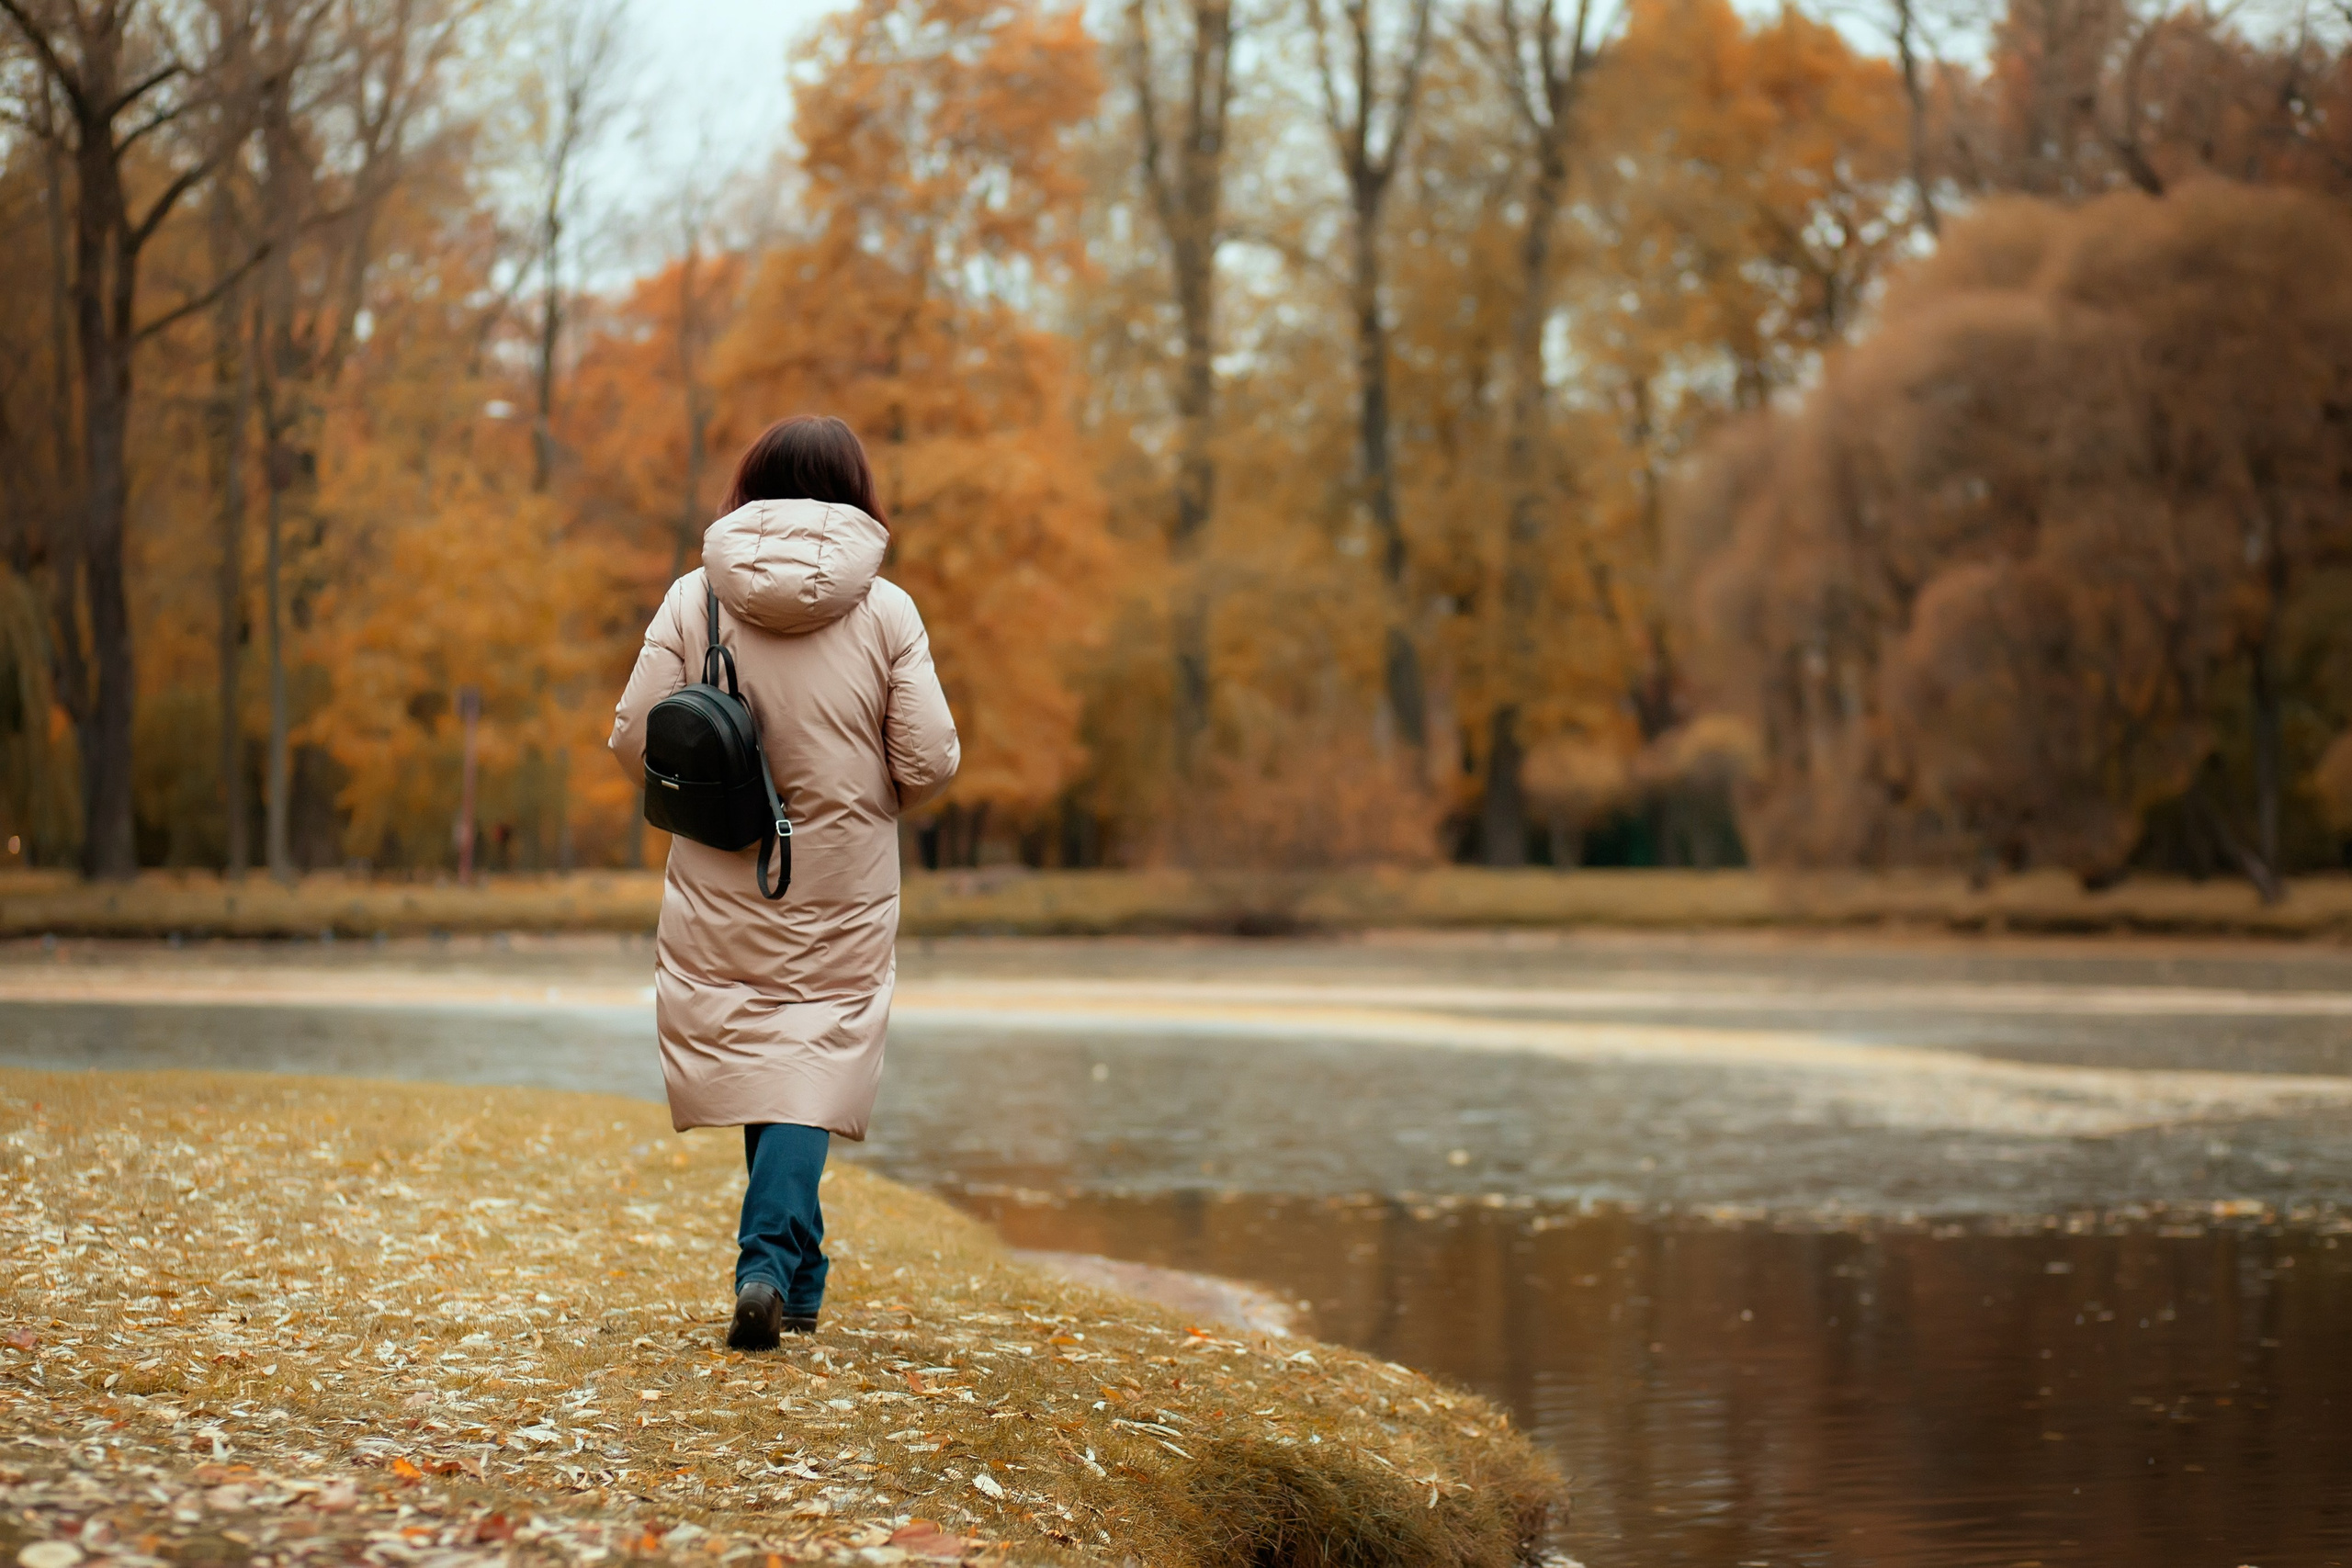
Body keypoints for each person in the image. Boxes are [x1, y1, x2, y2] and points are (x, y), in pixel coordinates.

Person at [608, 414, 959, 1349]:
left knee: (771, 1056)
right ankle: (766, 1265)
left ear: (750, 485)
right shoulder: (887, 611)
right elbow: (927, 761)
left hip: (725, 866)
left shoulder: (696, 599)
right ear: (857, 491)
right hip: (841, 877)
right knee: (807, 1057)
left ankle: (799, 1281)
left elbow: (635, 737)